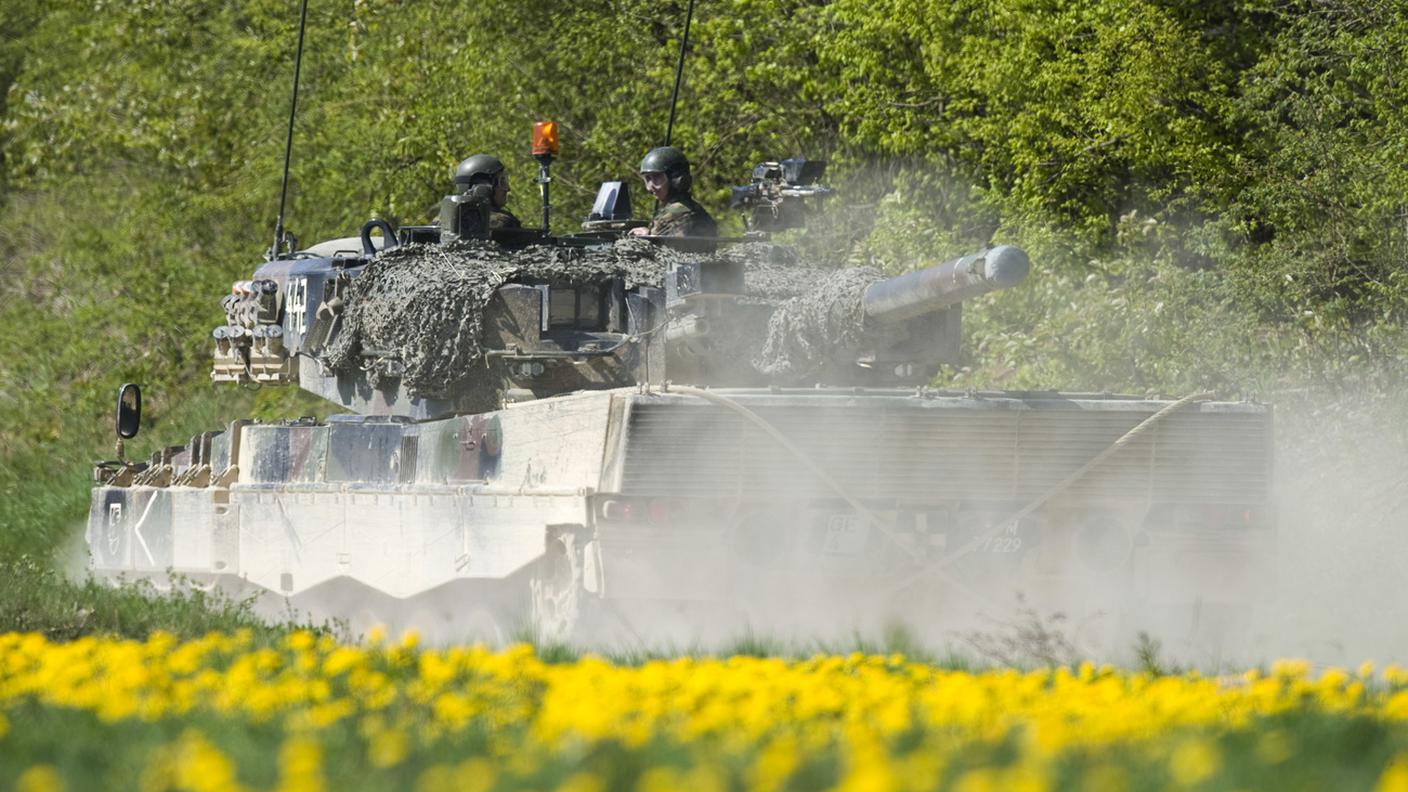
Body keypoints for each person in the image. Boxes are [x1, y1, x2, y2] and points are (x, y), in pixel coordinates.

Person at [629, 146, 716, 237]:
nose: (650, 187)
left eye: (657, 177)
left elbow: (656, 247)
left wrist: (648, 234)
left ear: (676, 180)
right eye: (647, 179)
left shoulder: (676, 211)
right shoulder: (694, 207)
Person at [452, 154, 521, 230]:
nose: (507, 189)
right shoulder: (504, 222)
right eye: (501, 182)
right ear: (482, 189)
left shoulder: (444, 220)